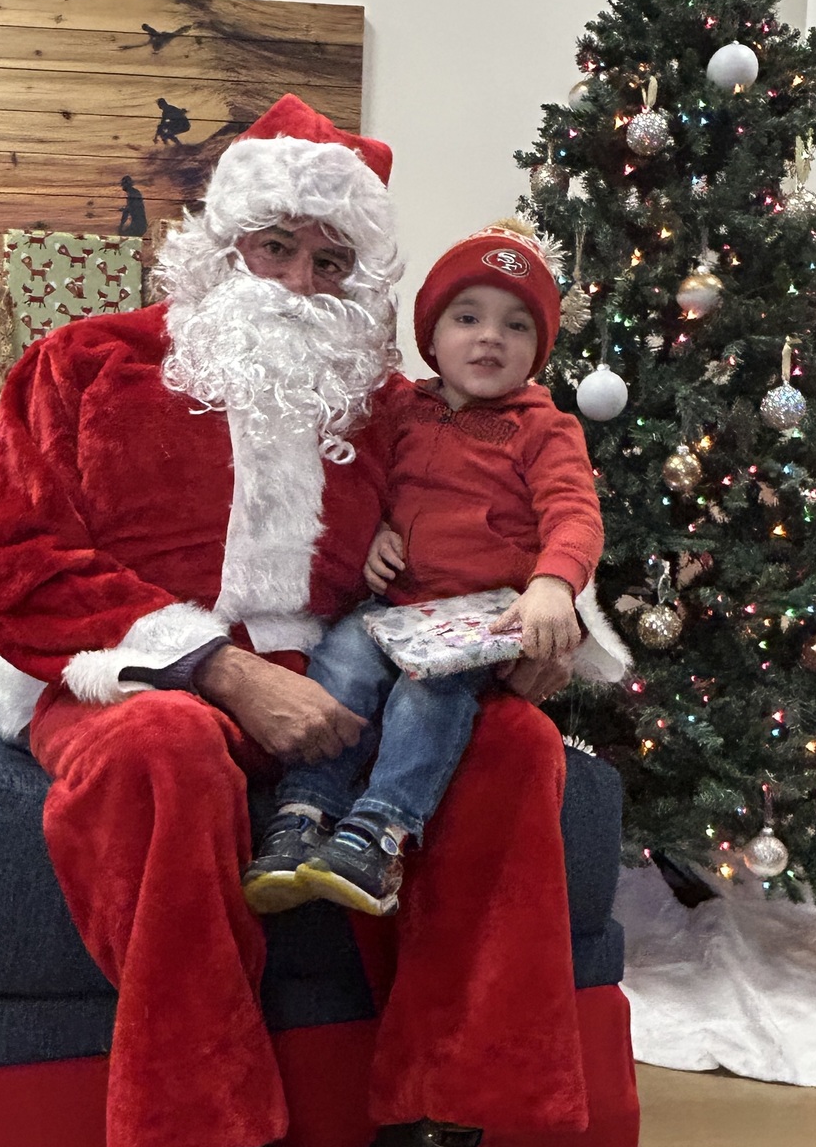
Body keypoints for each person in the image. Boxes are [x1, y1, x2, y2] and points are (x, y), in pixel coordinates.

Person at [0, 96, 617, 1147]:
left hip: (343, 684)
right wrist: (217, 668)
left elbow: (499, 501)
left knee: (514, 752)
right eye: (279, 251)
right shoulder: (84, 362)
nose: (302, 284)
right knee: (163, 755)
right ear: (223, 245)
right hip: (137, 680)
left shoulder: (389, 403)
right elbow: (19, 573)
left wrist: (543, 617)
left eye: (335, 265)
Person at [244, 222, 605, 919]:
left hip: (477, 623)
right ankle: (301, 814)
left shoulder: (545, 427)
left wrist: (552, 584)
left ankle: (377, 832)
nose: (489, 337)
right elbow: (359, 481)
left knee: (425, 699)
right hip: (390, 611)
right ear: (431, 337)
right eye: (466, 318)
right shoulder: (402, 407)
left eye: (516, 325)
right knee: (341, 664)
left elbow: (574, 512)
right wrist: (373, 527)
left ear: (539, 350)